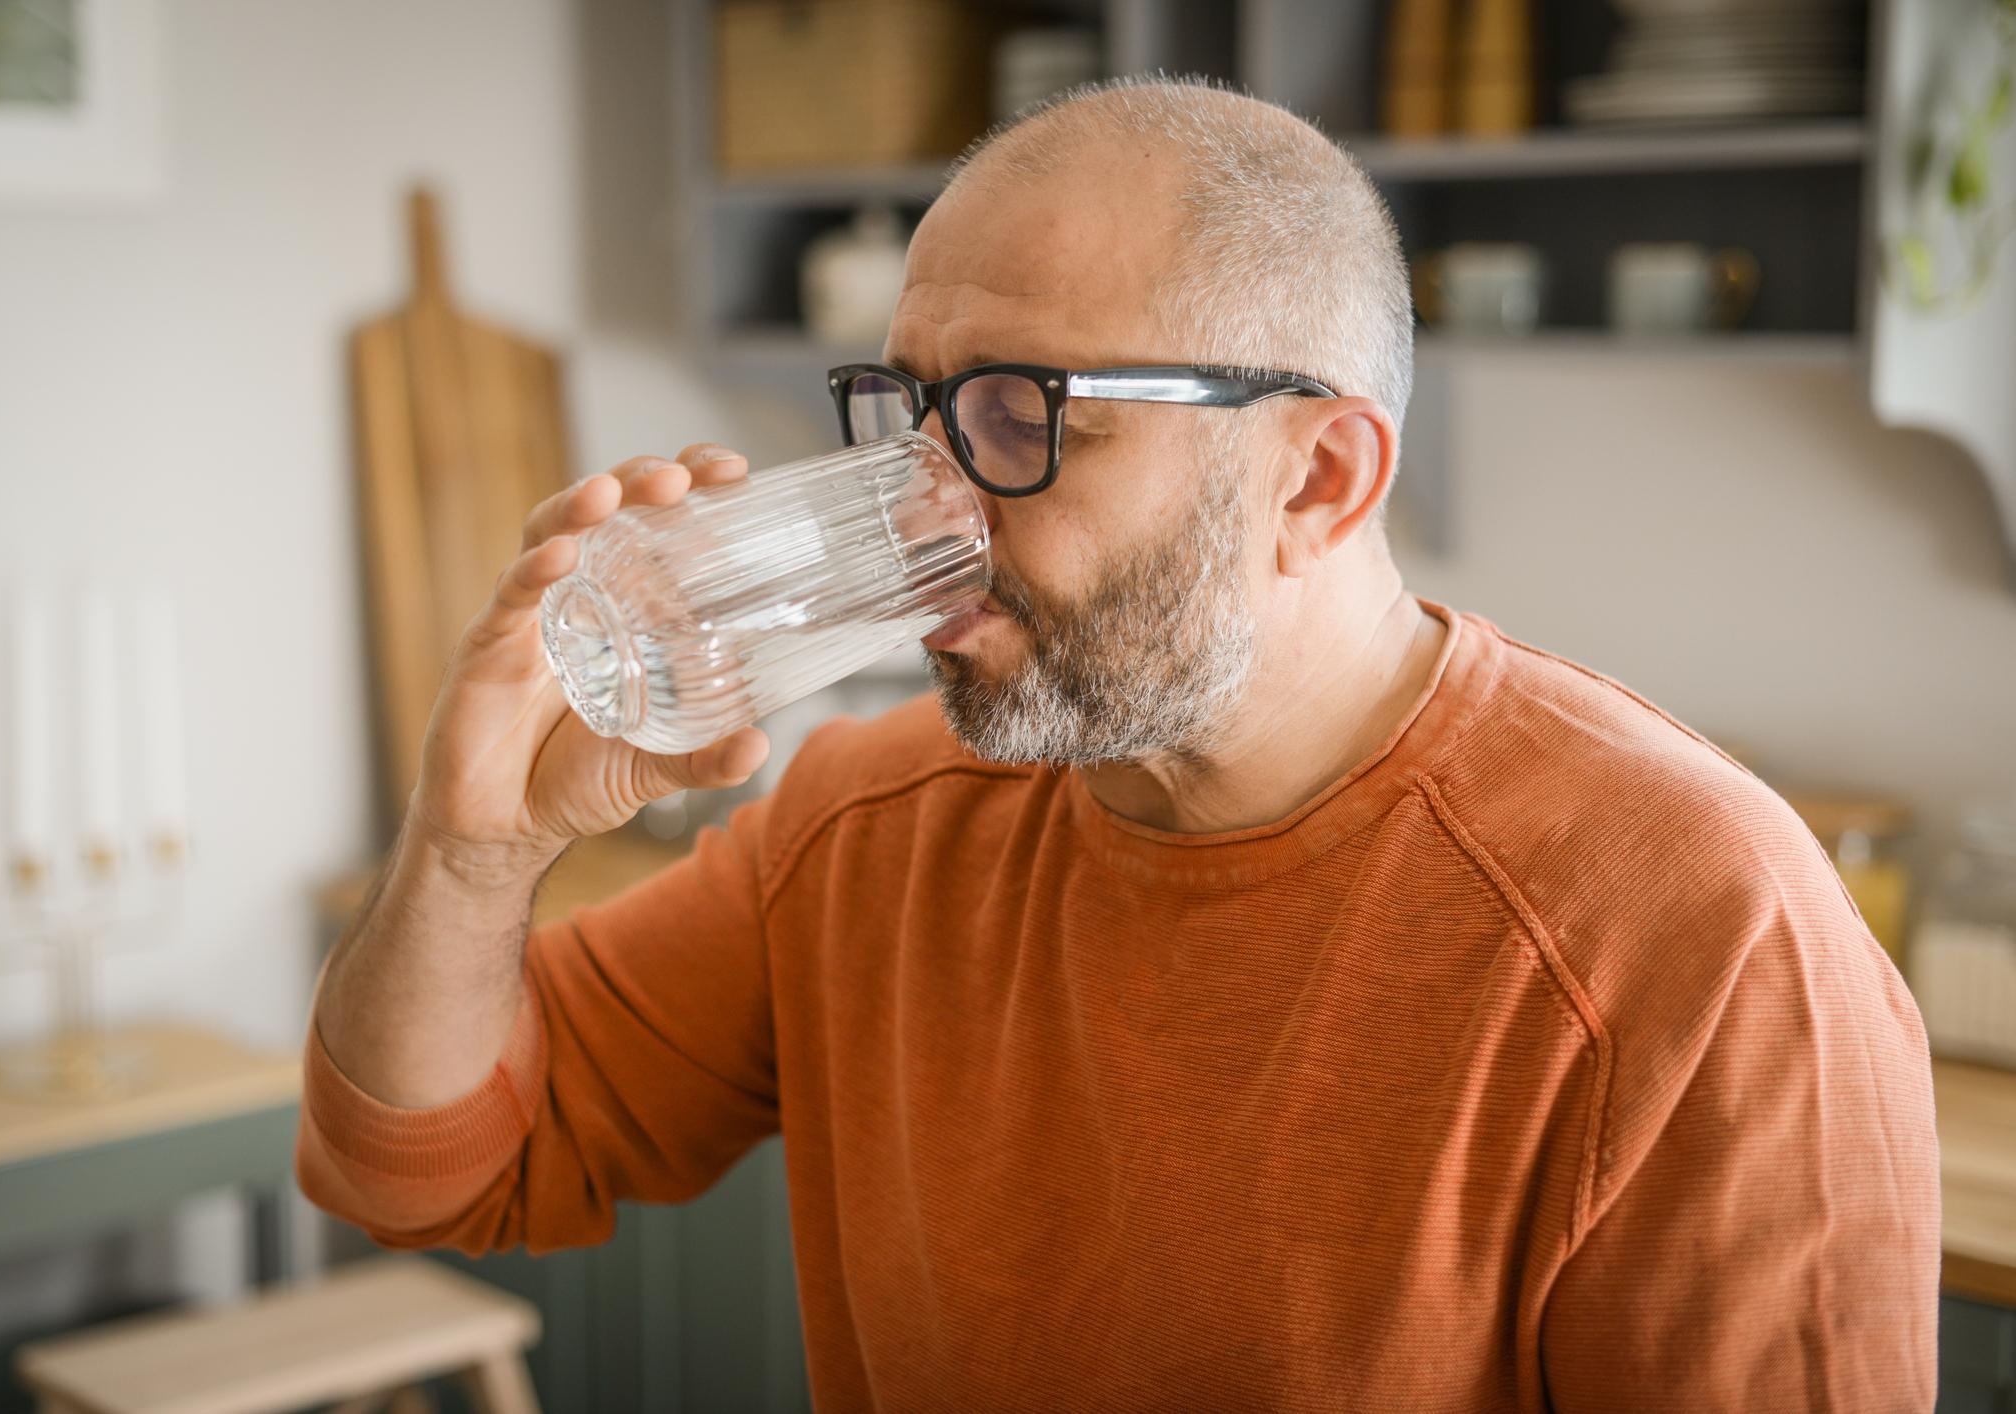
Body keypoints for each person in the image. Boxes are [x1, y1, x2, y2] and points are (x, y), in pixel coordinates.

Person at [297, 78, 1939, 1411]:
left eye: (1022, 413)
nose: (931, 501)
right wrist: (473, 851)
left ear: (1318, 479)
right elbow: (425, 1172)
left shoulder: (1700, 937)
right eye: (911, 406)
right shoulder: (870, 819)